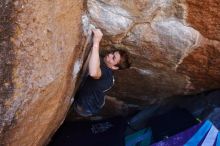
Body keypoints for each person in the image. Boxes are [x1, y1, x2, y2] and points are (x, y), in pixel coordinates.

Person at [73, 28, 130, 117]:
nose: (110, 55)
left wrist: (96, 42)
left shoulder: (106, 73)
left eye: (113, 58)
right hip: (98, 101)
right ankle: (103, 100)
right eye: (113, 53)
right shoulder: (110, 77)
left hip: (84, 108)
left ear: (115, 67)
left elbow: (93, 72)